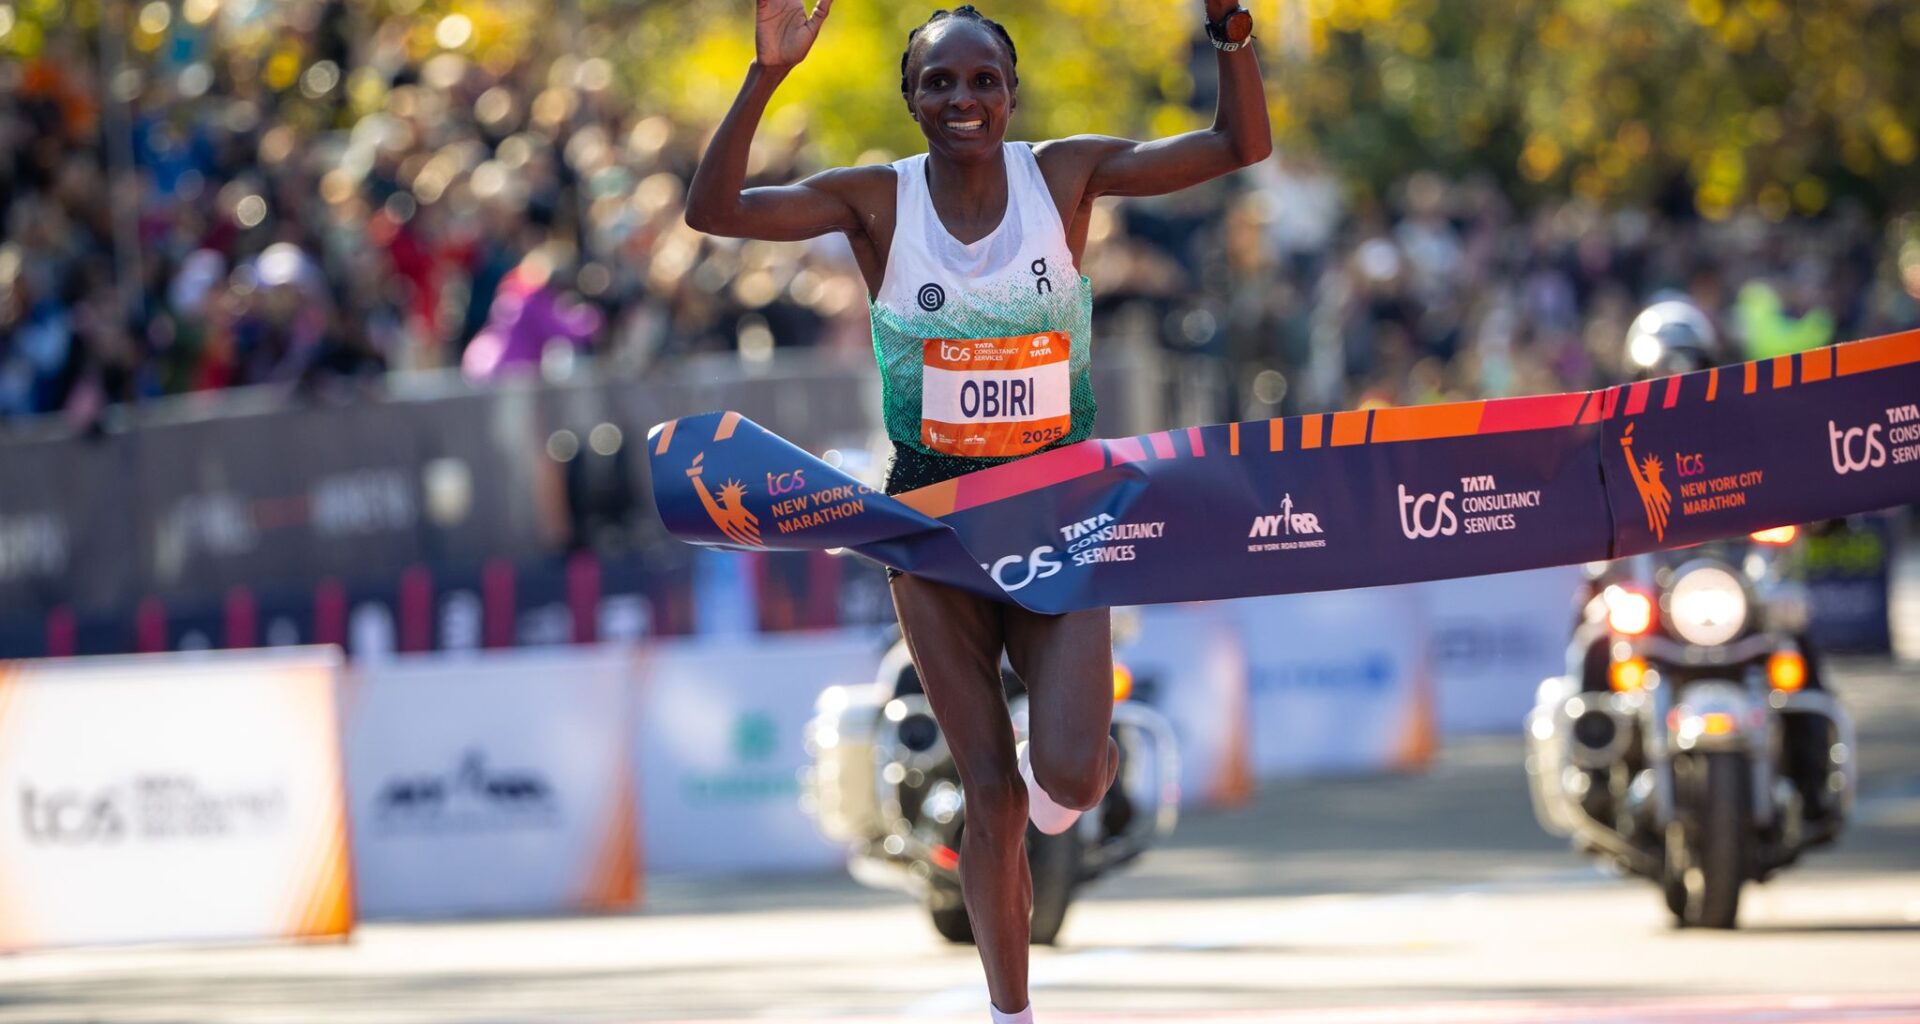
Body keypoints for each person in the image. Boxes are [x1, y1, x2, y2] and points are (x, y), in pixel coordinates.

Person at [684, 1, 1269, 1018]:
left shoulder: (1064, 178)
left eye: (983, 80)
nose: (963, 98)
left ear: (1012, 95)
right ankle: (1012, 1012)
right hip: (935, 525)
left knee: (1071, 780)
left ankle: (1069, 787)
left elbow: (1237, 145)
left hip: (1059, 511)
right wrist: (766, 73)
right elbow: (715, 210)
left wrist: (1232, 33)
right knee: (988, 792)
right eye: (940, 83)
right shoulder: (877, 199)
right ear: (912, 101)